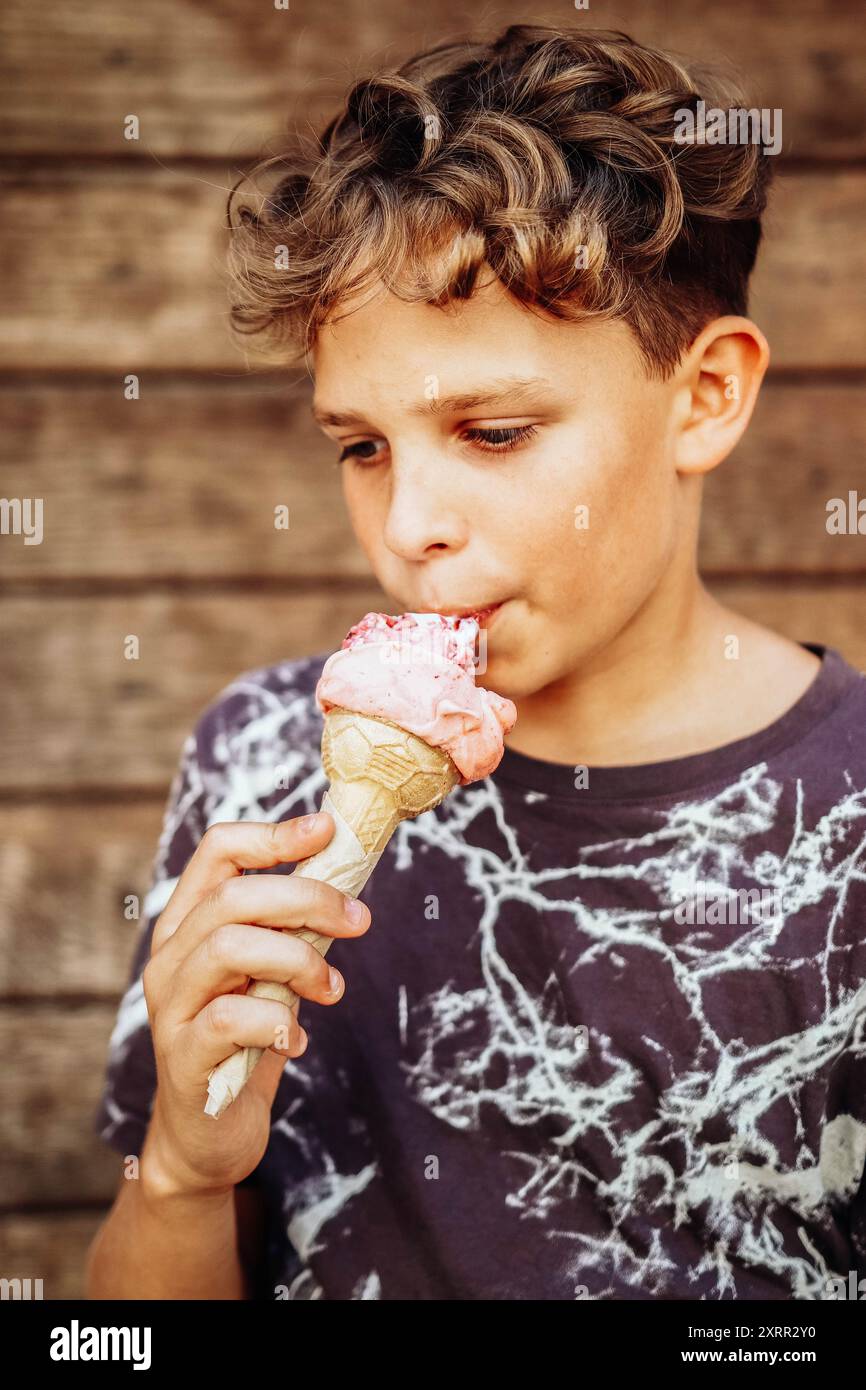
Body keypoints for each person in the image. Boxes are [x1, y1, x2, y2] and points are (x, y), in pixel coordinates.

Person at [86, 24, 866, 1300]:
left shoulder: (841, 824)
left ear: (706, 394)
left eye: (492, 432)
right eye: (360, 446)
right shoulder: (261, 764)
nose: (406, 528)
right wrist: (180, 1170)